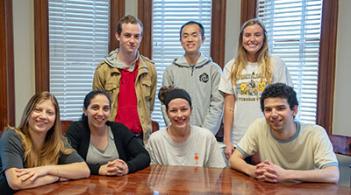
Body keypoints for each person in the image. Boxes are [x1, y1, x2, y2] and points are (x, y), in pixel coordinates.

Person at [230, 83, 339, 183]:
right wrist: (253, 170)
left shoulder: (316, 133)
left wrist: (286, 174)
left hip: (303, 190)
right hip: (271, 190)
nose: (273, 114)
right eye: (268, 110)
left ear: (294, 110)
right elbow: (234, 159)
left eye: (280, 108)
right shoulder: (258, 126)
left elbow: (333, 174)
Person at [218, 18, 293, 159]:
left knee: (267, 178)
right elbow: (229, 107)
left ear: (264, 38)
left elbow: (285, 103)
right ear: (241, 39)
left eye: (257, 35)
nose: (252, 39)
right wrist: (227, 140)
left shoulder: (276, 64)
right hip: (240, 138)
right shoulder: (231, 66)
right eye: (247, 35)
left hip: (270, 136)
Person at [0, 92, 90, 193]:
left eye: (50, 113)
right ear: (28, 113)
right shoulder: (11, 136)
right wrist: (55, 177)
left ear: (55, 118)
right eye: (37, 110)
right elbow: (16, 182)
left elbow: (84, 169)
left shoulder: (58, 141)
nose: (43, 116)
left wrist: (45, 170)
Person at [93, 15, 157, 143]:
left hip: (139, 138)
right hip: (111, 138)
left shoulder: (149, 69)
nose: (132, 40)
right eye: (127, 35)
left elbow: (150, 105)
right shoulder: (103, 69)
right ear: (118, 36)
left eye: (136, 36)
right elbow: (96, 107)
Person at [65, 90, 150, 176]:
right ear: (85, 110)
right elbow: (67, 161)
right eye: (95, 108)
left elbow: (144, 156)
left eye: (105, 109)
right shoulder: (76, 130)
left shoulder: (119, 129)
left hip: (119, 186)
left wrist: (127, 167)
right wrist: (99, 169)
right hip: (85, 186)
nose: (101, 113)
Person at [162, 21, 223, 136]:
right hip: (177, 135)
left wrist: (205, 134)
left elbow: (217, 104)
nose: (190, 39)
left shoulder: (214, 70)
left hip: (205, 136)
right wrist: (176, 129)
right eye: (185, 36)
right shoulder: (170, 70)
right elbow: (165, 104)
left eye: (194, 35)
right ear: (181, 41)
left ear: (203, 39)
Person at [146, 86, 226, 168]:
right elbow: (152, 174)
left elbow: (218, 172)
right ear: (167, 113)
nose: (179, 115)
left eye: (184, 109)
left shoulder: (206, 138)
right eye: (173, 110)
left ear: (191, 110)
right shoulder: (155, 140)